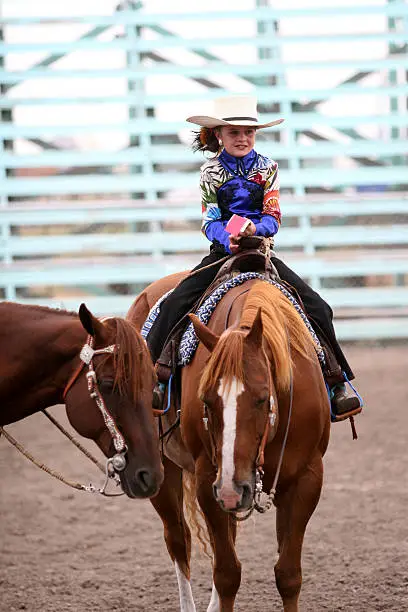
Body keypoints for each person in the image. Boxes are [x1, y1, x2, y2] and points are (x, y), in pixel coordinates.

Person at [147, 95, 361, 417]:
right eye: (234, 132)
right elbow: (209, 221)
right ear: (219, 134)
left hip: (261, 250)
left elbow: (274, 217)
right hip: (223, 253)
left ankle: (336, 379)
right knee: (176, 302)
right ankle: (156, 376)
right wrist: (229, 238)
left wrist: (253, 229)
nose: (243, 138)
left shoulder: (268, 168)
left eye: (249, 132)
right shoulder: (210, 172)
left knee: (318, 306)